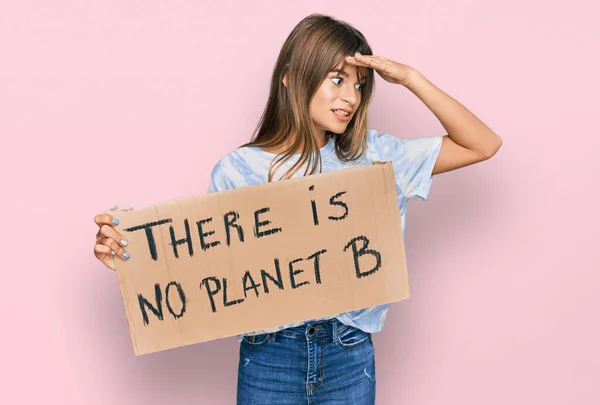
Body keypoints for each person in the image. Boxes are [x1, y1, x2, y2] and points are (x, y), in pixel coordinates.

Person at [93, 13, 502, 405]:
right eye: (337, 80)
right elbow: (213, 271)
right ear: (291, 77)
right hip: (270, 355)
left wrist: (411, 78)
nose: (350, 98)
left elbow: (482, 144)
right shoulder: (239, 169)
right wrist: (134, 261)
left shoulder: (376, 157)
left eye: (359, 86)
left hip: (349, 351)